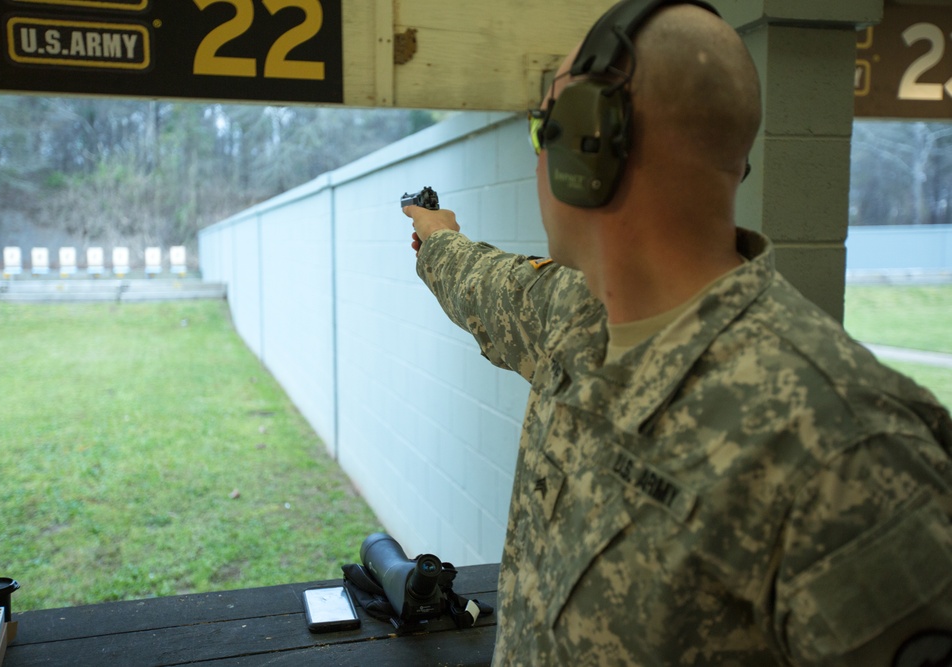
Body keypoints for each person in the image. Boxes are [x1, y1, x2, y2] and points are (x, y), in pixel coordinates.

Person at [403, 1, 952, 665]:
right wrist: (438, 238)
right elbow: (483, 283)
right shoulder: (577, 314)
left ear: (588, 142)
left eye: (543, 127)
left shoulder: (845, 449)